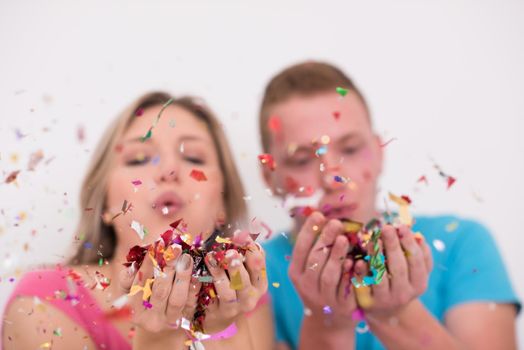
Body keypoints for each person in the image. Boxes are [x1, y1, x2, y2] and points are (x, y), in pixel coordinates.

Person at [259, 61, 520, 349]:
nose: (334, 178)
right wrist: (327, 324)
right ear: (270, 177)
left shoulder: (461, 242)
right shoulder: (251, 274)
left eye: (350, 149)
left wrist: (396, 315)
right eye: (303, 159)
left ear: (378, 152)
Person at [2, 92, 273, 349]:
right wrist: (159, 342)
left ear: (222, 205)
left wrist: (219, 332)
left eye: (192, 157)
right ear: (104, 204)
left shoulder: (243, 296)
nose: (169, 170)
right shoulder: (43, 302)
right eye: (139, 158)